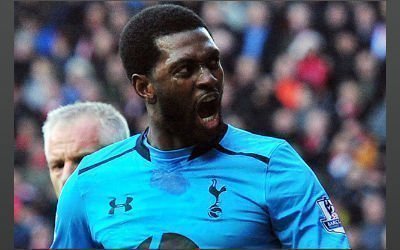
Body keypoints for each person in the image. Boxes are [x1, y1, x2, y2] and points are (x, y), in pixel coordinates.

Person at [51, 4, 350, 249]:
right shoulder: (88, 182)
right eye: (186, 69)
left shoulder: (273, 165)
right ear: (145, 87)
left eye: (212, 62)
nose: (208, 78)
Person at [42, 101, 130, 198]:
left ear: (120, 159)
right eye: (58, 166)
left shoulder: (148, 210)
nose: (65, 177)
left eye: (81, 161)